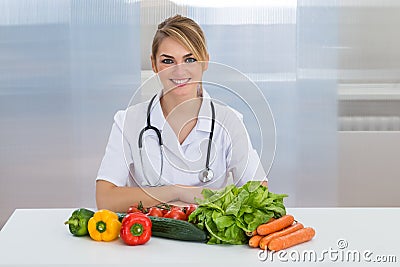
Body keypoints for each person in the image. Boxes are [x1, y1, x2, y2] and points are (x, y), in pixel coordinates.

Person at [96, 15, 266, 212]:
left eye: (190, 59)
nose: (179, 71)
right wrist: (176, 192)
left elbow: (258, 194)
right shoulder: (128, 121)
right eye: (168, 61)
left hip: (207, 241)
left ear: (205, 61)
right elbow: (105, 199)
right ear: (154, 65)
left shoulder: (229, 121)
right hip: (146, 239)